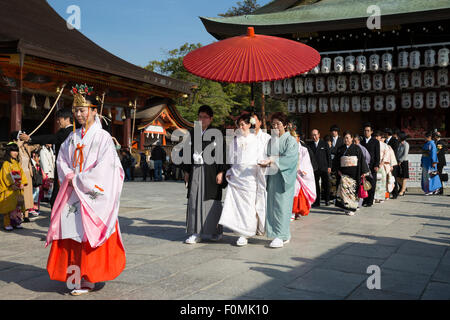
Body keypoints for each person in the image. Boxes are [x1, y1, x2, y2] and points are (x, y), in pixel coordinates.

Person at [45, 84, 126, 296]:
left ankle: (88, 279)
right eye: (76, 111)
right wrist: (70, 176)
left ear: (94, 111)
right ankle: (74, 277)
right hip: (73, 193)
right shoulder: (72, 137)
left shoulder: (103, 138)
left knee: (87, 235)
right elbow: (61, 160)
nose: (79, 114)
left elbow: (108, 168)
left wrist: (81, 180)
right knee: (72, 235)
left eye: (83, 110)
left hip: (91, 195)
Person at [219, 114, 266, 246]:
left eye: (243, 124)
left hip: (250, 176)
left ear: (249, 125)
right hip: (236, 175)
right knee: (236, 205)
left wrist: (261, 166)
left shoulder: (256, 140)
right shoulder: (235, 140)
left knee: (248, 205)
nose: (241, 127)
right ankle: (239, 231)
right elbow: (231, 158)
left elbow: (260, 156)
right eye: (239, 125)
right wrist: (229, 171)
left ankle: (246, 232)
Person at [182, 105, 227, 244]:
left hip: (211, 170)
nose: (202, 119)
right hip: (195, 169)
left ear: (211, 119)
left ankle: (216, 230)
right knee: (194, 198)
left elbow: (222, 153)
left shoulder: (217, 133)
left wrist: (221, 171)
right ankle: (196, 232)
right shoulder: (193, 132)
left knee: (212, 200)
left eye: (205, 117)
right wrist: (186, 171)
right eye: (200, 116)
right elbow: (186, 152)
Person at [19, 108, 74, 208]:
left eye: (59, 119)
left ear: (67, 119)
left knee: (60, 195)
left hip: (67, 168)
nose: (58, 121)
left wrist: (30, 139)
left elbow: (52, 138)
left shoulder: (70, 132)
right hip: (62, 167)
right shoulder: (64, 131)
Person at [259, 112, 298, 248]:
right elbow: (266, 154)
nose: (275, 126)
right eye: (273, 124)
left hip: (284, 178)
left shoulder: (290, 140)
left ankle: (280, 236)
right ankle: (282, 234)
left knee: (282, 207)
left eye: (278, 124)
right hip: (273, 177)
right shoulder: (271, 140)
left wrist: (273, 161)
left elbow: (291, 159)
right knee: (272, 207)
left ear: (285, 125)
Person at [334, 131, 370, 216]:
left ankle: (352, 208)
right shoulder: (340, 149)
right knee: (344, 191)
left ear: (352, 138)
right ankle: (346, 207)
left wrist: (364, 171)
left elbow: (361, 160)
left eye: (348, 138)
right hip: (343, 173)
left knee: (352, 192)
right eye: (345, 138)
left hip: (354, 173)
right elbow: (336, 161)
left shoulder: (357, 148)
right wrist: (337, 170)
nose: (346, 139)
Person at [250, 112, 271, 231]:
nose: (253, 124)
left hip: (263, 170)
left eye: (255, 121)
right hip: (250, 171)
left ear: (260, 122)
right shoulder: (247, 136)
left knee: (262, 197)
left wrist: (266, 162)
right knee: (251, 197)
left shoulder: (267, 137)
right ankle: (251, 225)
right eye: (251, 121)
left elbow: (271, 154)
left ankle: (262, 226)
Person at [0, 142, 27, 230]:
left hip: (18, 188)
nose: (16, 153)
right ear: (9, 151)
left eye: (16, 151)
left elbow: (22, 174)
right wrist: (11, 184)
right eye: (13, 151)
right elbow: (5, 175)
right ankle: (7, 223)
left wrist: (23, 182)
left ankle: (17, 222)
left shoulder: (17, 163)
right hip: (10, 189)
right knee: (9, 207)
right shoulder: (6, 164)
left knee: (18, 206)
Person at [11, 132, 38, 220]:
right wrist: (19, 140)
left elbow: (37, 145)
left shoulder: (26, 148)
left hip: (28, 174)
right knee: (20, 195)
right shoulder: (16, 148)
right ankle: (19, 215)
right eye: (21, 138)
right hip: (20, 175)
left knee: (28, 195)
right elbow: (16, 147)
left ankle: (26, 215)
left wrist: (29, 139)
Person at [291, 130, 316, 221]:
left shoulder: (304, 149)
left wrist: (300, 168)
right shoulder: (288, 148)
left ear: (299, 138)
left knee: (299, 193)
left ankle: (297, 212)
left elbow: (306, 162)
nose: (293, 139)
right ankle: (292, 212)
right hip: (291, 173)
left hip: (300, 174)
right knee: (292, 193)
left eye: (295, 137)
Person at [307, 129, 331, 207]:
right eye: (313, 135)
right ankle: (317, 202)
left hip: (324, 167)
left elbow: (329, 156)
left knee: (326, 184)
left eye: (316, 135)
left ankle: (327, 200)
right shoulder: (309, 145)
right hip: (314, 168)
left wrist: (329, 166)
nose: (314, 137)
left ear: (319, 135)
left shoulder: (324, 144)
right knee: (316, 185)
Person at [361, 123, 380, 207]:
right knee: (364, 183)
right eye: (365, 131)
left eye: (368, 131)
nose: (366, 132)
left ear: (371, 132)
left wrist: (376, 165)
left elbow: (377, 155)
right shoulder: (361, 141)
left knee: (372, 183)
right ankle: (365, 200)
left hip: (372, 166)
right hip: (364, 166)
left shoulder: (375, 141)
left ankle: (370, 201)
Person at [421, 131, 442, 195]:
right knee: (425, 176)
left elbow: (434, 154)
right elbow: (423, 154)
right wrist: (422, 161)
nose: (424, 138)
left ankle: (432, 189)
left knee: (431, 176)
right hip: (425, 162)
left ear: (429, 137)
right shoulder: (426, 143)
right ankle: (427, 189)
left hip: (430, 162)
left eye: (425, 137)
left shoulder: (432, 144)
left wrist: (434, 162)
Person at [354, 135, 372, 209]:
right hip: (354, 169)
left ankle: (359, 204)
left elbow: (368, 159)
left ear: (358, 141)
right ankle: (355, 203)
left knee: (361, 187)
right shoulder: (353, 148)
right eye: (353, 141)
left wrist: (364, 170)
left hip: (361, 169)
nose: (354, 143)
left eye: (355, 141)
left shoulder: (362, 148)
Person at [384, 128, 400, 198]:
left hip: (392, 162)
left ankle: (395, 193)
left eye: (385, 133)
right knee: (386, 179)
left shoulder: (394, 141)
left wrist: (391, 163)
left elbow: (395, 152)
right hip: (385, 162)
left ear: (387, 133)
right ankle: (386, 195)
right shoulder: (384, 141)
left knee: (393, 179)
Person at [396, 132, 410, 196]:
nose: (397, 137)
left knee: (404, 177)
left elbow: (405, 154)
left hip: (404, 161)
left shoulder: (406, 144)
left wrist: (400, 161)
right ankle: (404, 187)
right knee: (398, 177)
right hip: (398, 161)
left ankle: (402, 190)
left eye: (398, 136)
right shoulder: (399, 144)